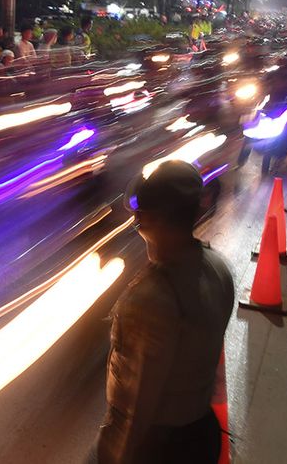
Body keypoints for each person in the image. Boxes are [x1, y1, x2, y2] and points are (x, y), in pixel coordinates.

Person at [95, 160, 234, 464]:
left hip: (158, 450)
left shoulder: (149, 301)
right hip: (201, 436)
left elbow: (134, 410)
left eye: (139, 216)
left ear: (148, 221)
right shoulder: (218, 269)